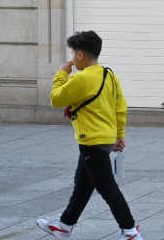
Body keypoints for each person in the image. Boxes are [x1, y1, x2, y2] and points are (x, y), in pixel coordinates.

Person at [37, 30, 143, 240]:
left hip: (91, 140)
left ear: (79, 55)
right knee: (83, 184)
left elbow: (56, 99)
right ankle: (65, 225)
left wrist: (61, 74)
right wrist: (119, 135)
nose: (72, 59)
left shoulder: (81, 78)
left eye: (73, 53)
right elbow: (120, 107)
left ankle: (130, 231)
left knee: (106, 186)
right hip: (105, 138)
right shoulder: (109, 74)